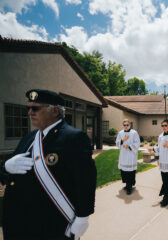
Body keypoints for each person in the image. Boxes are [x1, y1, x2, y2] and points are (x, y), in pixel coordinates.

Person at [0, 89, 97, 240]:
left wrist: (83, 216)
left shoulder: (74, 138)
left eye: (36, 108)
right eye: (28, 108)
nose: (30, 112)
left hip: (50, 224)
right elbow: (12, 171)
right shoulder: (29, 137)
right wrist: (5, 167)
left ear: (55, 110)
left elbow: (85, 180)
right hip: (18, 222)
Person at [116, 119, 140, 195]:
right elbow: (117, 142)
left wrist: (129, 146)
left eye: (127, 125)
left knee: (130, 171)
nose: (126, 126)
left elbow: (137, 143)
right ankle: (127, 184)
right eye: (124, 125)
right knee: (124, 171)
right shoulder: (120, 133)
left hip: (131, 155)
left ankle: (129, 187)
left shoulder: (134, 133)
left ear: (130, 125)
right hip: (123, 155)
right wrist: (122, 140)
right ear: (123, 126)